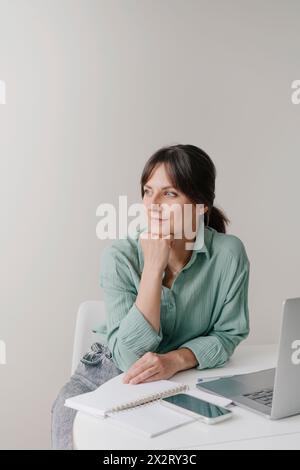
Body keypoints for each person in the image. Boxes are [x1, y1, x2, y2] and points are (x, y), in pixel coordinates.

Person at [51, 144, 250, 449]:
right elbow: (130, 357)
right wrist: (154, 268)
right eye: (147, 191)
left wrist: (175, 360)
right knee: (69, 417)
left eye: (169, 194)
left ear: (200, 205)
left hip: (186, 376)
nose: (152, 204)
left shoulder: (228, 254)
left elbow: (228, 333)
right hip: (111, 372)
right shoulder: (120, 256)